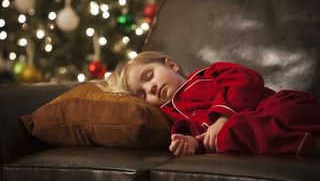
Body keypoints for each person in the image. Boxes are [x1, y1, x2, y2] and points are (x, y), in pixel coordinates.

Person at [103, 51, 320, 157]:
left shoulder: (207, 74)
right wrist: (190, 143)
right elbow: (196, 135)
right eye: (142, 95)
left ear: (171, 65)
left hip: (265, 104)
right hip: (244, 130)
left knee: (287, 107)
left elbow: (245, 78)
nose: (150, 88)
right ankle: (309, 145)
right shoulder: (170, 116)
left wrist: (223, 117)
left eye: (149, 76)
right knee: (234, 133)